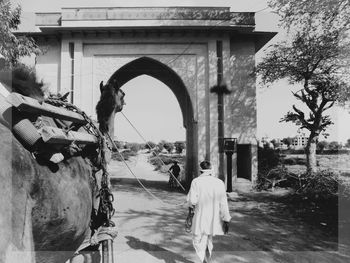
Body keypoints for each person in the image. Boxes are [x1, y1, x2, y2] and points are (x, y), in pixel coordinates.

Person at [186, 160, 231, 263]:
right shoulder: (219, 182)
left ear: (200, 170)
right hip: (214, 218)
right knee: (208, 239)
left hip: (201, 216)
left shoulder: (196, 181)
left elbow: (192, 201)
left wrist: (190, 211)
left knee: (197, 239)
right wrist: (226, 219)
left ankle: (202, 259)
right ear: (211, 169)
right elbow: (223, 203)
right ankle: (206, 258)